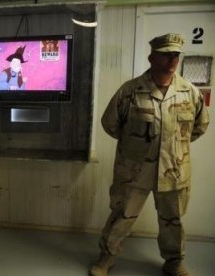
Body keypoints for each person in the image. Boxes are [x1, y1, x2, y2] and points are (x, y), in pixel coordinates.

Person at [90, 33, 209, 276]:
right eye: (166, 54)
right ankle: (107, 256)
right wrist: (136, 147)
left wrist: (171, 147)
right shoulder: (130, 91)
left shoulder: (190, 93)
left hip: (174, 169)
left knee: (172, 220)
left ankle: (173, 261)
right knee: (123, 215)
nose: (172, 59)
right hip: (134, 170)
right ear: (151, 57)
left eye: (175, 54)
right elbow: (110, 124)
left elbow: (199, 127)